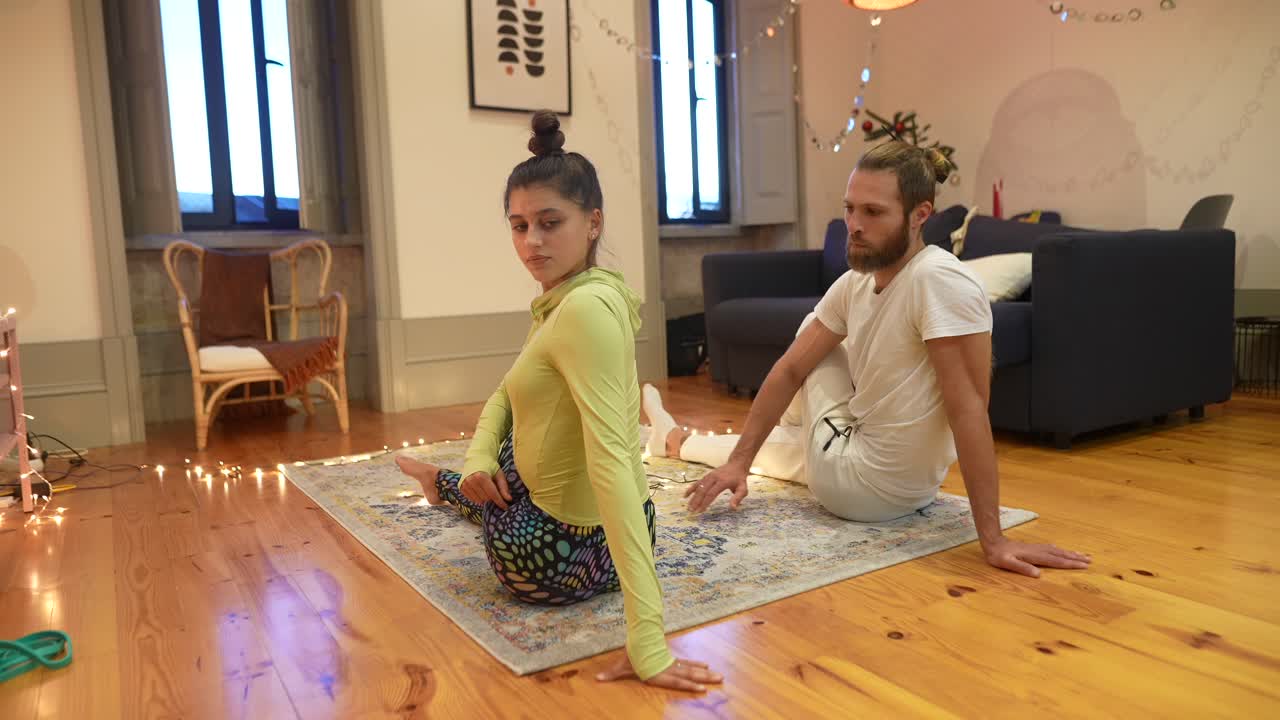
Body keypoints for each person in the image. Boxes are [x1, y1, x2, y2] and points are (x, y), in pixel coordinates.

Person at [642, 141, 1091, 579]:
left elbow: (969, 409)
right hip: (907, 489)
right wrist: (740, 462)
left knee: (814, 345)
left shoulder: (939, 281)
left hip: (861, 486)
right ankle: (676, 441)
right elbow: (789, 371)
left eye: (873, 212)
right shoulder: (858, 282)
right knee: (793, 430)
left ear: (920, 216)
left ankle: (760, 434)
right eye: (849, 208)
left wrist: (994, 540)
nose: (854, 225)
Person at [395, 111, 721, 692]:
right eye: (518, 225)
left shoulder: (582, 312)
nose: (531, 242)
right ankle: (453, 480)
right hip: (621, 531)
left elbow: (615, 461)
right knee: (504, 464)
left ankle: (444, 488)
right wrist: (477, 458)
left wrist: (648, 643)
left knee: (507, 485)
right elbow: (504, 392)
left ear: (593, 222)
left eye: (550, 223)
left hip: (548, 561)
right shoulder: (571, 297)